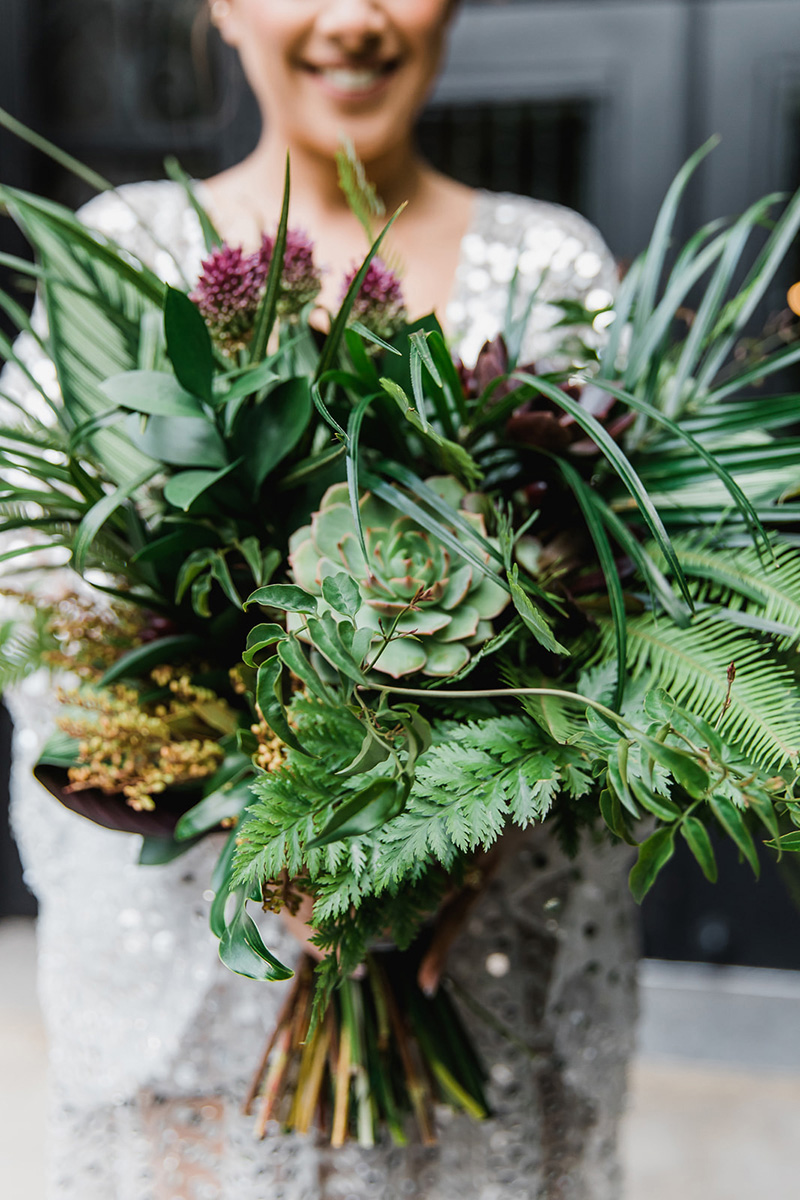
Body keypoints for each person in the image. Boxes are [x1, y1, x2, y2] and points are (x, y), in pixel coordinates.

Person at [4, 2, 635, 1197]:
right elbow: (31, 582)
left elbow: (623, 596)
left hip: (488, 945)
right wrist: (270, 816)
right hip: (210, 967)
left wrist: (453, 817)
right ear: (225, 9)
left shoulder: (552, 264)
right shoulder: (132, 250)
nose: (353, 17)